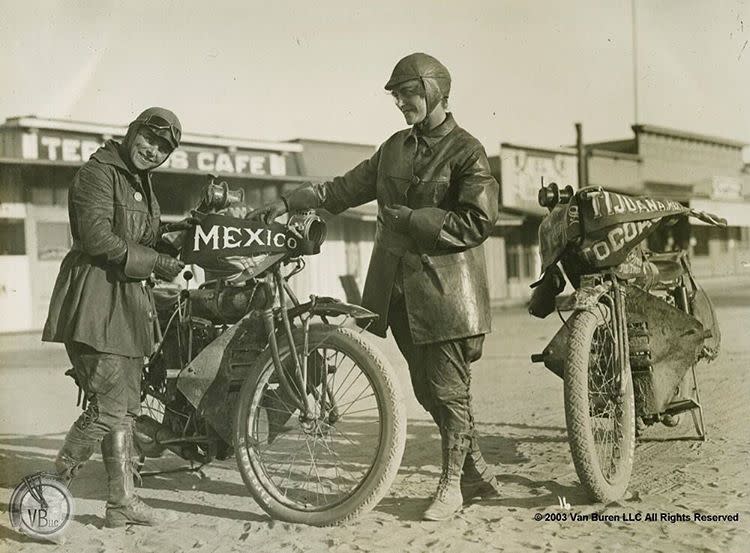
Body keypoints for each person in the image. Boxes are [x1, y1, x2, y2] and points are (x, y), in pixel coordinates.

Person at [248, 53, 501, 521]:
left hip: (446, 294)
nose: (401, 103)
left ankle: (452, 485)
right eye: (397, 96)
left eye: (407, 93)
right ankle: (474, 469)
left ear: (433, 90)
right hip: (397, 291)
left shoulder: (467, 150)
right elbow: (340, 191)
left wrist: (416, 221)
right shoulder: (393, 148)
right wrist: (285, 202)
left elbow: (480, 219)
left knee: (447, 389)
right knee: (428, 390)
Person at [42, 107, 192, 528]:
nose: (154, 150)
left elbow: (141, 234)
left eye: (164, 148)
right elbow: (97, 237)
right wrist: (161, 264)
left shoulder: (140, 183)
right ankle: (49, 489)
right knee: (108, 408)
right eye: (150, 139)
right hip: (93, 302)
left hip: (125, 308)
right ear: (133, 132)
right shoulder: (98, 173)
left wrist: (183, 230)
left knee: (124, 409)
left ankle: (121, 502)